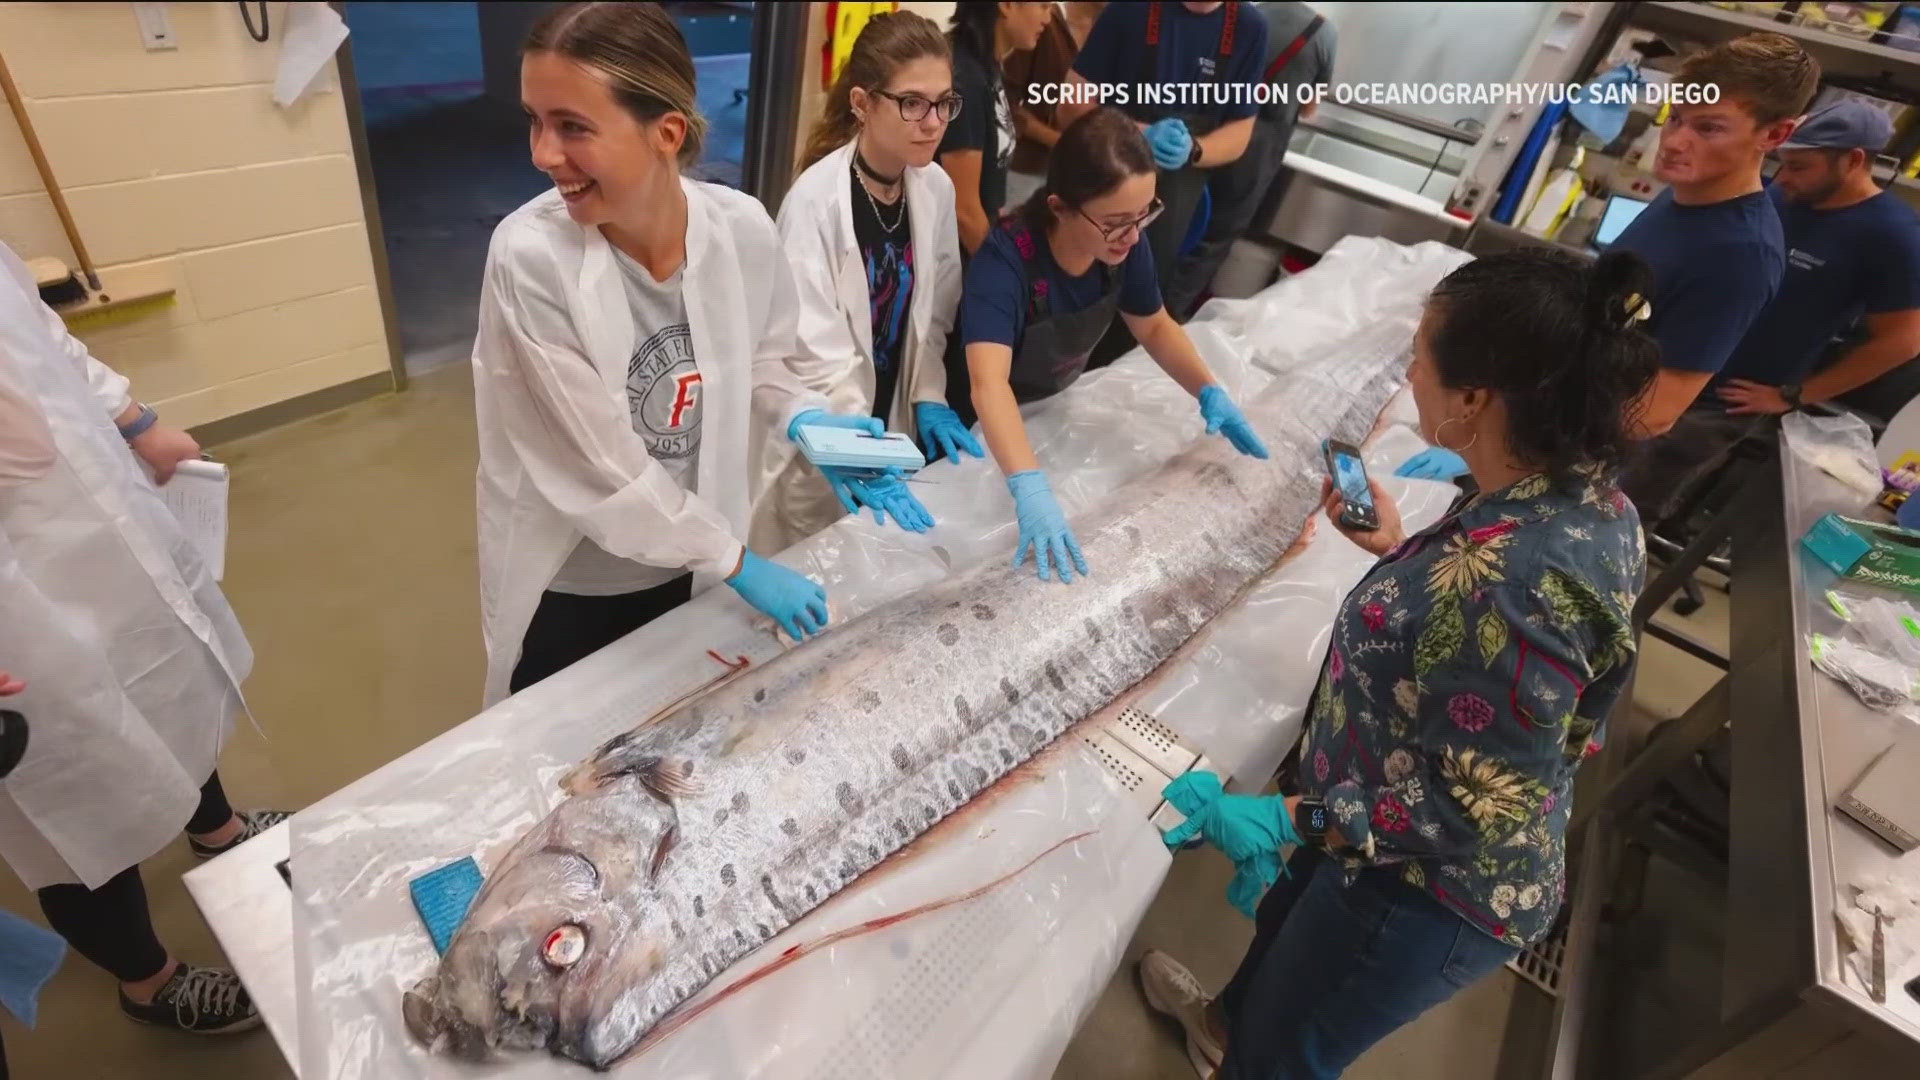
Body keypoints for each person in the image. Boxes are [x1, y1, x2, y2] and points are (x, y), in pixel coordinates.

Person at [1138, 248, 1658, 1079]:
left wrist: (1291, 819)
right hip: (1366, 814)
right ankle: (1222, 1025)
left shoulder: (1516, 582)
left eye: (1423, 354)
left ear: (1476, 400)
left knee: (1284, 1053)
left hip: (1423, 890)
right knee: (1271, 978)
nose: (1411, 369)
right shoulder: (1584, 497)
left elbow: (1457, 813)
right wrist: (1403, 550)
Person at [474, 2, 885, 705]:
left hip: (696, 558)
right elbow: (600, 470)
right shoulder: (531, 260)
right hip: (581, 576)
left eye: (571, 126)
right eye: (535, 121)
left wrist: (805, 419)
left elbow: (765, 361)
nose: (543, 153)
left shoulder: (740, 229)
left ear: (665, 131)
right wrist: (735, 559)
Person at [0, 243, 278, 1036]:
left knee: (170, 674)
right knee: (72, 784)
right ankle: (147, 981)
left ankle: (215, 827)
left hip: (90, 518)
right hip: (12, 597)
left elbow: (38, 335)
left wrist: (134, 420)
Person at [962, 107, 1269, 584]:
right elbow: (988, 384)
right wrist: (1029, 488)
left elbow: (1154, 327)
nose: (1131, 236)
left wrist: (1209, 390)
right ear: (1061, 206)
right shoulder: (1005, 262)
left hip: (1050, 411)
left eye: (1143, 216)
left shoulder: (1123, 242)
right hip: (977, 432)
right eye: (1116, 222)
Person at [764, 11, 976, 551]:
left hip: (890, 420)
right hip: (825, 428)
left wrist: (928, 391)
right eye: (912, 103)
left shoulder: (936, 189)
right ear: (862, 103)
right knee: (813, 571)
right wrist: (855, 446)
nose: (933, 122)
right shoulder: (814, 204)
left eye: (945, 102)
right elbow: (811, 347)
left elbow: (935, 312)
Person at [1608, 32, 1819, 520]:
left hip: (1591, 463)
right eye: (1675, 118)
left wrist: (1521, 430)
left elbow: (1652, 414)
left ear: (1774, 135)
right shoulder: (1682, 193)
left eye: (1709, 128)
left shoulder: (1741, 253)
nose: (1676, 141)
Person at [1059, 1, 1271, 316]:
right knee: (1068, 295)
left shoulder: (1249, 27)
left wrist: (1194, 149)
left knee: (1136, 303)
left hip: (1171, 203)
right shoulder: (1130, 9)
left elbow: (1240, 131)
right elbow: (1069, 104)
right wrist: (1135, 133)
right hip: (1100, 183)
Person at [1712, 100, 1920, 421]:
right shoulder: (1783, 197)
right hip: (1685, 363)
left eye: (1799, 167)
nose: (1782, 178)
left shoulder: (1894, 235)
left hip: (1735, 399)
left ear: (1853, 160)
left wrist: (1794, 396)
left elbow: (1902, 342)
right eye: (1782, 163)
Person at [1173, 1, 1334, 320]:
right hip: (1255, 154)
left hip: (1206, 134)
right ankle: (1164, 321)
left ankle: (1131, 313)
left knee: (1175, 223)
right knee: (1212, 241)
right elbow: (1308, 109)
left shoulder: (1242, 13)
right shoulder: (1322, 32)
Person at [939, 2, 1055, 256]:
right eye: (1044, 6)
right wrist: (1005, 275)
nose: (1048, 18)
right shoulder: (964, 79)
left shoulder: (987, 65)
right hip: (954, 262)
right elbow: (965, 211)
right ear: (1007, 5)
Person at [1003, 2, 1107, 211]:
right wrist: (1058, 140)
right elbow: (1006, 102)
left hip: (1082, 176)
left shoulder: (1112, 28)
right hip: (1029, 171)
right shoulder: (1042, 21)